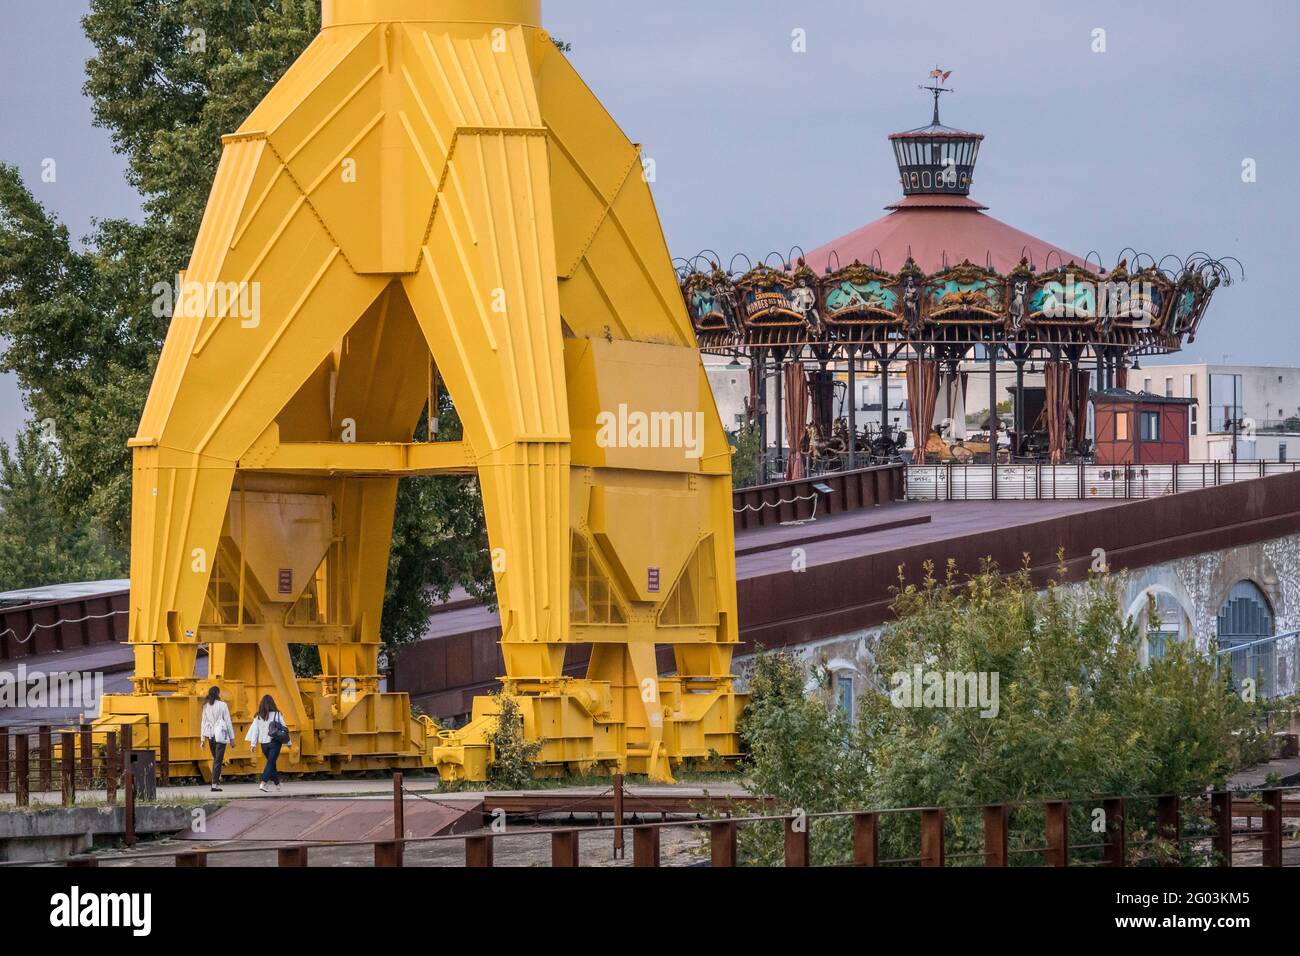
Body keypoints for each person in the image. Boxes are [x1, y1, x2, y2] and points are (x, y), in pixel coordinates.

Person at [245, 694, 290, 792]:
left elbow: (255, 730)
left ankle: (278, 784)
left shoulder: (258, 716)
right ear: (272, 703)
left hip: (263, 744)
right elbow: (284, 728)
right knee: (271, 763)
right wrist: (288, 742)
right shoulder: (277, 714)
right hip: (275, 742)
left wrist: (253, 744)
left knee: (271, 763)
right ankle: (263, 783)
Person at [199, 686, 235, 792]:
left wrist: (202, 739)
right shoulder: (223, 705)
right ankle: (214, 784)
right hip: (220, 736)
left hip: (210, 735)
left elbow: (203, 723)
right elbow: (228, 721)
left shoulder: (206, 706)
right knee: (218, 760)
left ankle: (216, 782)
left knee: (216, 759)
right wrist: (232, 738)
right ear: (218, 693)